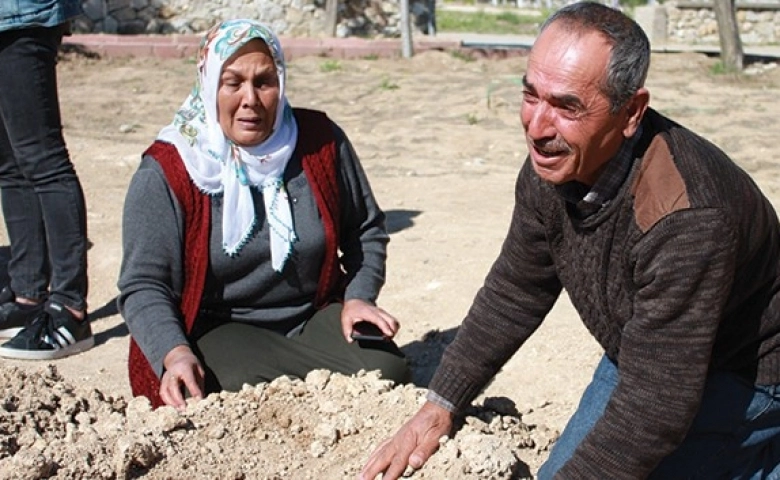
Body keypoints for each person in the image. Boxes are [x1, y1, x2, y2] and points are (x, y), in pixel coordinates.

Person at [361, 2, 780, 479]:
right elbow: (515, 291)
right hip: (646, 352)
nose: (537, 128)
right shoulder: (555, 165)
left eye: (566, 106)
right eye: (530, 95)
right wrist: (440, 403)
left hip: (743, 374)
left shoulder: (687, 218)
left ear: (631, 112)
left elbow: (656, 408)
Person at [118, 19, 410, 410]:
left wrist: (358, 298)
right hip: (218, 327)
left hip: (311, 316)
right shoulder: (171, 168)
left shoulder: (319, 142)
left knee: (386, 369)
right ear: (209, 86)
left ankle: (298, 378)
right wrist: (173, 354)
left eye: (264, 81)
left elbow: (366, 231)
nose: (250, 99)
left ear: (281, 83)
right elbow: (143, 284)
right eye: (233, 83)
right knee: (227, 388)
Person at [0, 0, 92, 360]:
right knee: (9, 166)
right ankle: (27, 296)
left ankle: (70, 311)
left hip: (23, 18)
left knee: (44, 161)